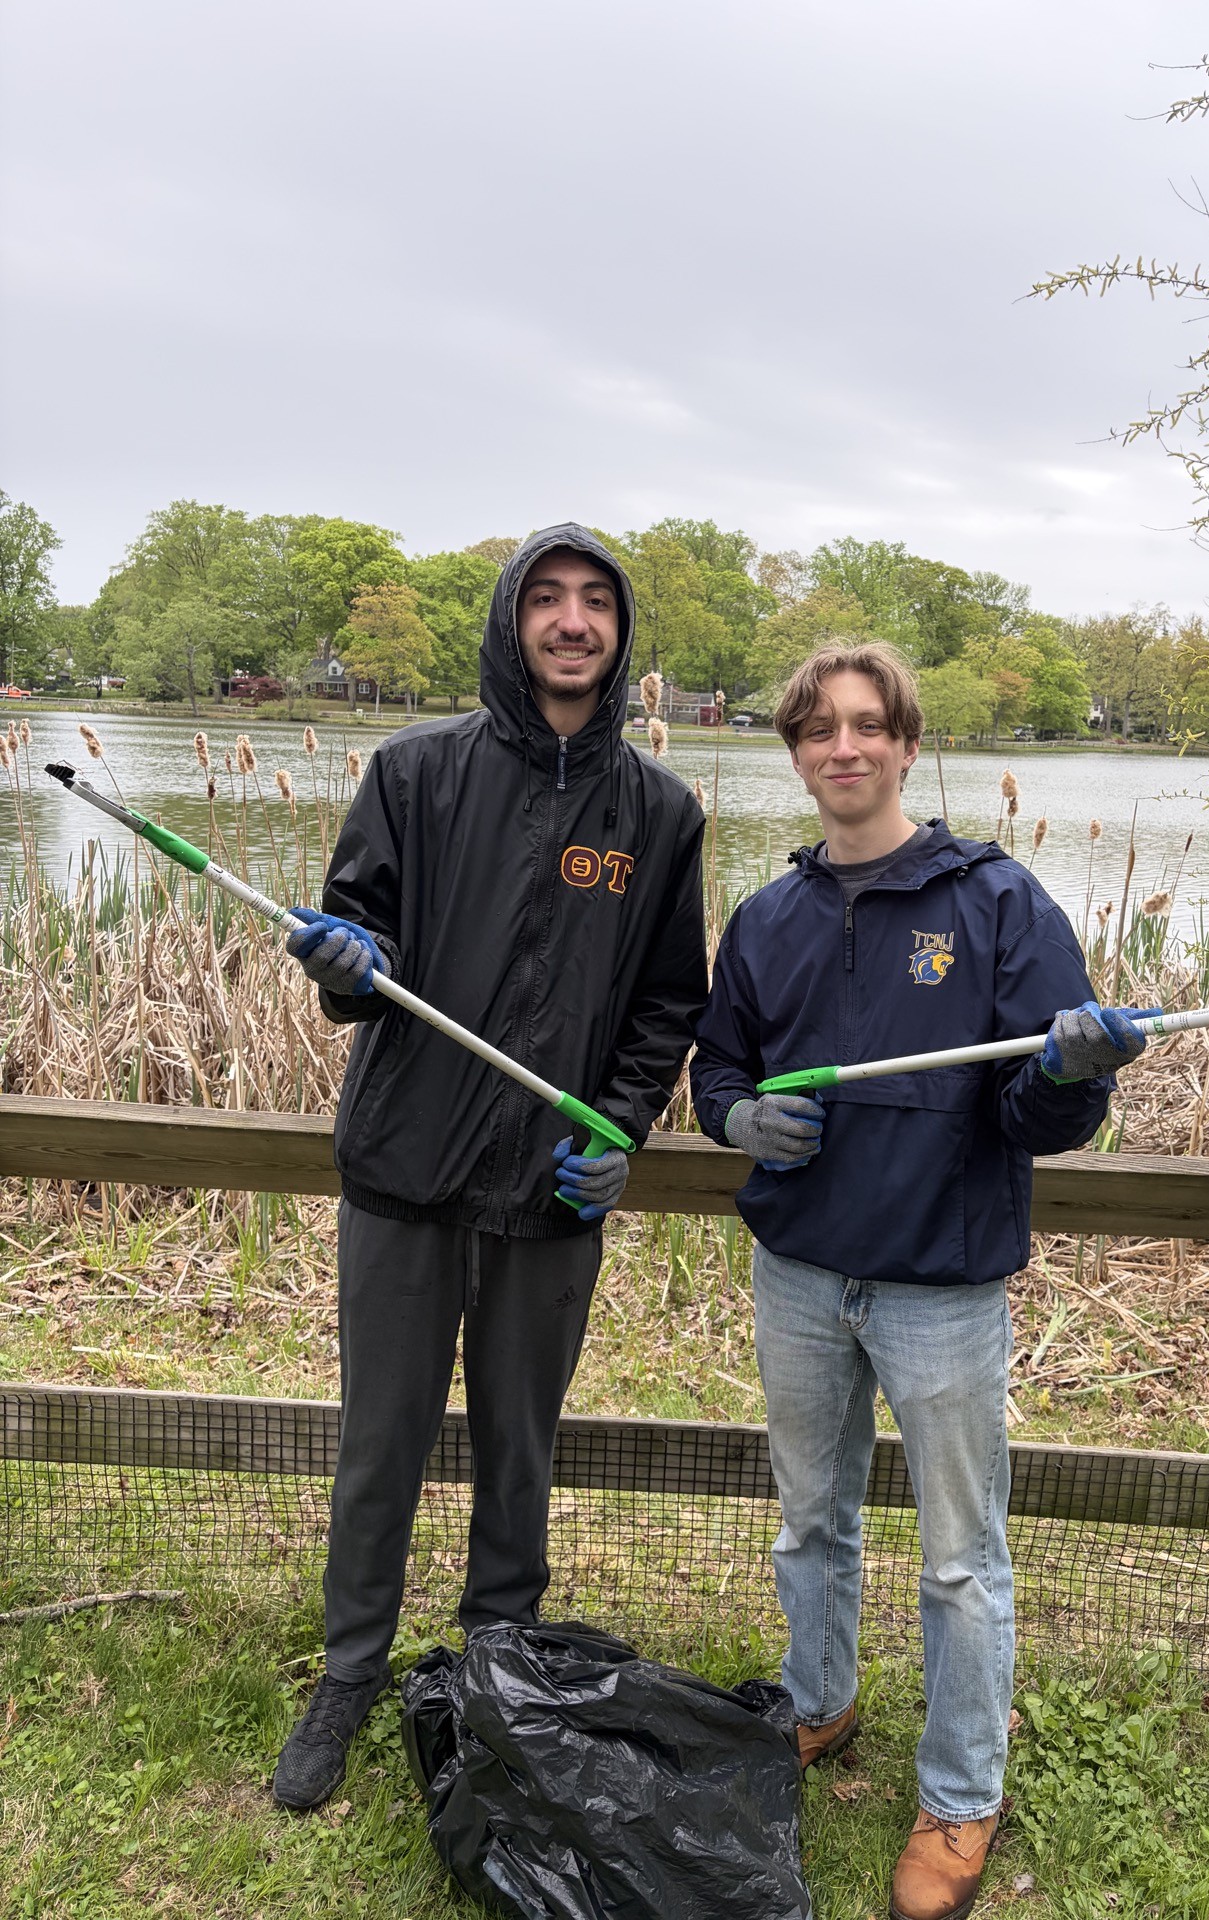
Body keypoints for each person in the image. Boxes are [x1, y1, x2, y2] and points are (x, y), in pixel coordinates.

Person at [689, 642, 1148, 1920]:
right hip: (799, 1275)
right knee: (810, 1520)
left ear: (904, 743)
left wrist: (1069, 1072)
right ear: (796, 752)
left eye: (867, 726)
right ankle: (820, 1704)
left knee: (960, 1558)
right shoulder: (767, 918)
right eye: (819, 730)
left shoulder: (997, 904)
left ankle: (960, 1794)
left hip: (939, 1287)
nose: (843, 748)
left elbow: (1044, 1118)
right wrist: (734, 1125)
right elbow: (717, 1067)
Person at [272, 525, 708, 1810]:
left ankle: (500, 1662)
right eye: (549, 600)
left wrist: (617, 1128)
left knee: (521, 1447)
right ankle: (351, 1671)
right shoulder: (413, 772)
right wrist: (345, 958)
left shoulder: (661, 814)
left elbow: (667, 1006)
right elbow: (359, 938)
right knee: (381, 1444)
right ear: (513, 619)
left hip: (547, 1195)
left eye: (596, 604)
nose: (573, 623)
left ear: (621, 633)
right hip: (405, 1175)